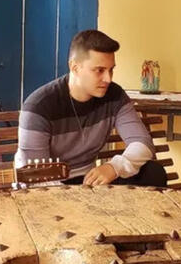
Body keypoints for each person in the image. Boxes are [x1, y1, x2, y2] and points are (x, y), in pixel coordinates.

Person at [15, 29, 167, 187]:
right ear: (74, 67)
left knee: (153, 173)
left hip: (89, 182)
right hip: (48, 185)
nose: (108, 79)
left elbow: (143, 143)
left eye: (111, 70)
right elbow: (37, 177)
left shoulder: (115, 95)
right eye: (99, 70)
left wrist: (113, 168)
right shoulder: (39, 105)